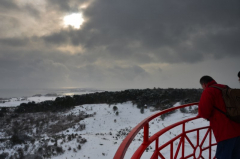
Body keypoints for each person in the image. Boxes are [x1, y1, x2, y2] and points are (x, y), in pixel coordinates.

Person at [198, 75, 240, 159]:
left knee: (223, 155)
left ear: (204, 84)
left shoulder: (208, 91)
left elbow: (204, 112)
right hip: (237, 126)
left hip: (225, 131)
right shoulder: (225, 87)